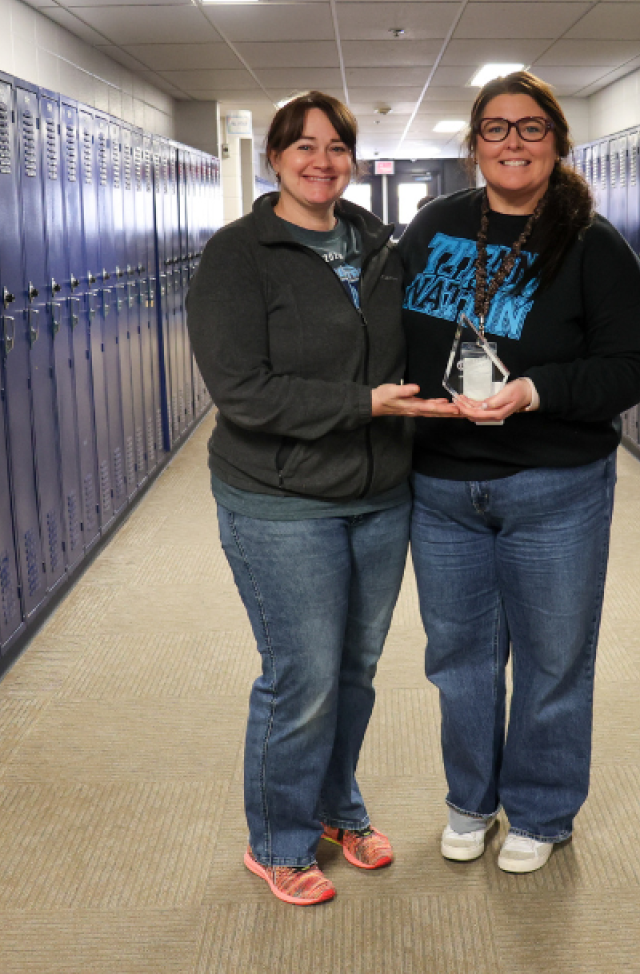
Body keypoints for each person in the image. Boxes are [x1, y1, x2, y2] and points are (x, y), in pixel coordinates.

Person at [188, 91, 459, 906]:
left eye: (337, 146)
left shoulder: (379, 245)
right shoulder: (239, 254)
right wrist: (364, 405)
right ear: (274, 158)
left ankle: (338, 807)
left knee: (355, 671)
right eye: (303, 146)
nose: (322, 160)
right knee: (300, 675)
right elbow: (243, 393)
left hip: (378, 494)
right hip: (280, 500)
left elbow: (429, 338)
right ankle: (277, 838)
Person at [397, 71, 640, 874]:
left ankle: (542, 811)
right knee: (460, 658)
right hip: (441, 486)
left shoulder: (592, 243)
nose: (513, 143)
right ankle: (470, 803)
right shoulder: (435, 224)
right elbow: (384, 326)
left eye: (531, 128)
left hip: (554, 484)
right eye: (497, 129)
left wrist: (535, 390)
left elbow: (628, 368)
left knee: (553, 656)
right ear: (474, 144)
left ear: (557, 143)